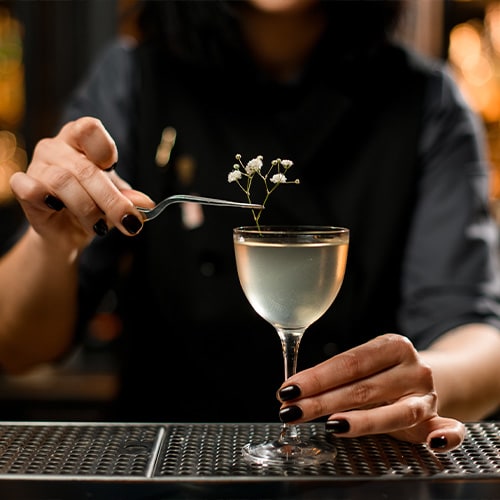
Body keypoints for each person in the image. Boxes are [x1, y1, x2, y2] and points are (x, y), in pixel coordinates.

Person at [3, 0, 500, 452]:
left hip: (361, 468)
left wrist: (428, 385)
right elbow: (18, 349)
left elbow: (474, 331)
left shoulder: (426, 100)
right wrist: (53, 243)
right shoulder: (132, 77)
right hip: (169, 465)